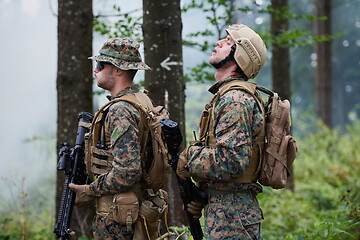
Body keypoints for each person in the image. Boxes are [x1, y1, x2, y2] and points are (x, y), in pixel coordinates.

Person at [177, 24, 267, 239]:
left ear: (241, 56)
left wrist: (189, 158)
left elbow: (232, 161)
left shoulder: (234, 100)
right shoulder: (226, 97)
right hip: (227, 212)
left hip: (233, 218)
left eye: (228, 42)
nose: (219, 43)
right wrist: (203, 195)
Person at [69, 38, 152, 239]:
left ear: (118, 70)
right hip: (135, 207)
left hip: (118, 218)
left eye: (100, 64)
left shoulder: (120, 110)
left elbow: (127, 171)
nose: (95, 70)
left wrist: (89, 189)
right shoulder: (142, 100)